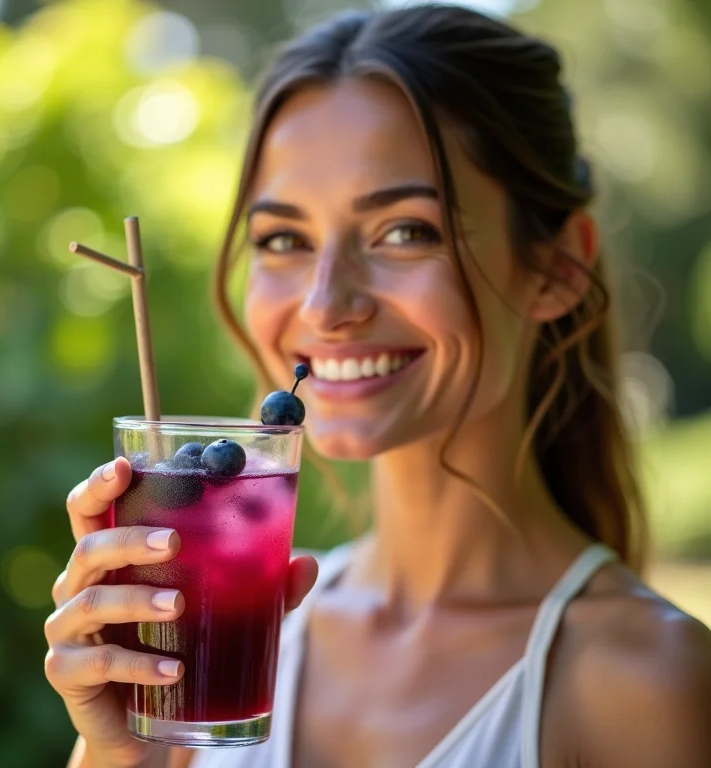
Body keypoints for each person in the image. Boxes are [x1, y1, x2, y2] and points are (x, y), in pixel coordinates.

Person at [44, 5, 711, 767]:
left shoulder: (647, 687)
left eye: (405, 231)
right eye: (284, 240)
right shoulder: (212, 659)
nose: (326, 306)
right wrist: (123, 755)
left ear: (558, 267)